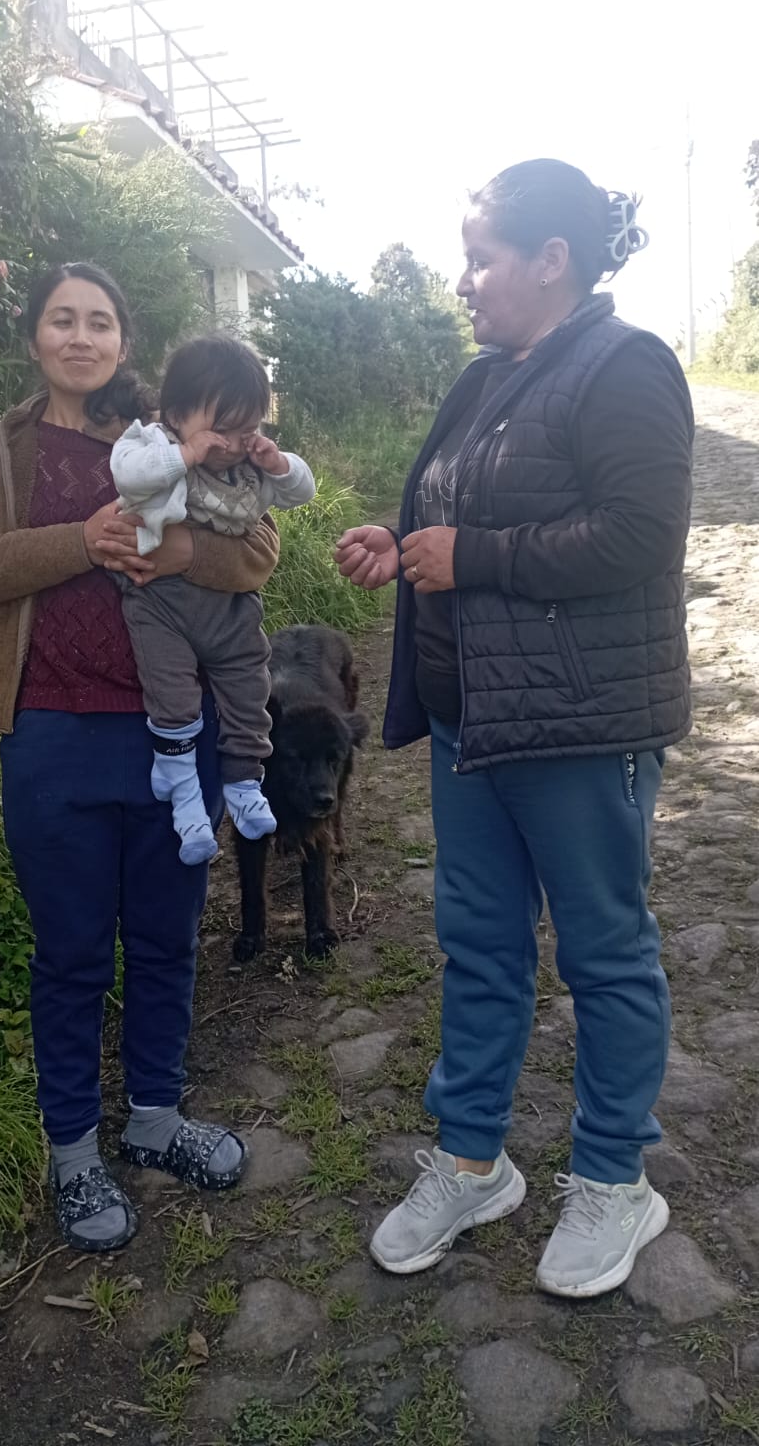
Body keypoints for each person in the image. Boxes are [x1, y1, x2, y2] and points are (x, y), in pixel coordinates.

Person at [336, 159, 693, 1298]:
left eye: (479, 257)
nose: (463, 280)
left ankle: (614, 1177)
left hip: (581, 726)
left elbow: (639, 532)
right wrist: (403, 544)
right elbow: (466, 517)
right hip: (471, 723)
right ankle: (471, 1161)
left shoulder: (626, 364)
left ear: (551, 260)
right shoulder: (485, 377)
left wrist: (475, 555)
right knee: (480, 947)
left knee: (604, 953)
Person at [0, 262, 280, 1253]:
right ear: (34, 336)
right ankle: (75, 1149)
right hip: (50, 733)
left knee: (168, 937)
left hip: (175, 732)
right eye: (62, 320)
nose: (80, 337)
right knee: (73, 952)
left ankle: (157, 1118)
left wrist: (177, 554)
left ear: (124, 340)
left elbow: (258, 551)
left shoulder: (174, 432)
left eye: (99, 321)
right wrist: (81, 540)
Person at [110, 336, 315, 866]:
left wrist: (278, 462)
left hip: (229, 606)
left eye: (250, 427)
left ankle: (245, 781)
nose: (234, 442)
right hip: (160, 603)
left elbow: (301, 492)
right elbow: (130, 476)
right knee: (172, 694)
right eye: (222, 428)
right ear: (176, 415)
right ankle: (182, 792)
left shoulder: (249, 467)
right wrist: (187, 454)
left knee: (251, 687)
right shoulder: (149, 443)